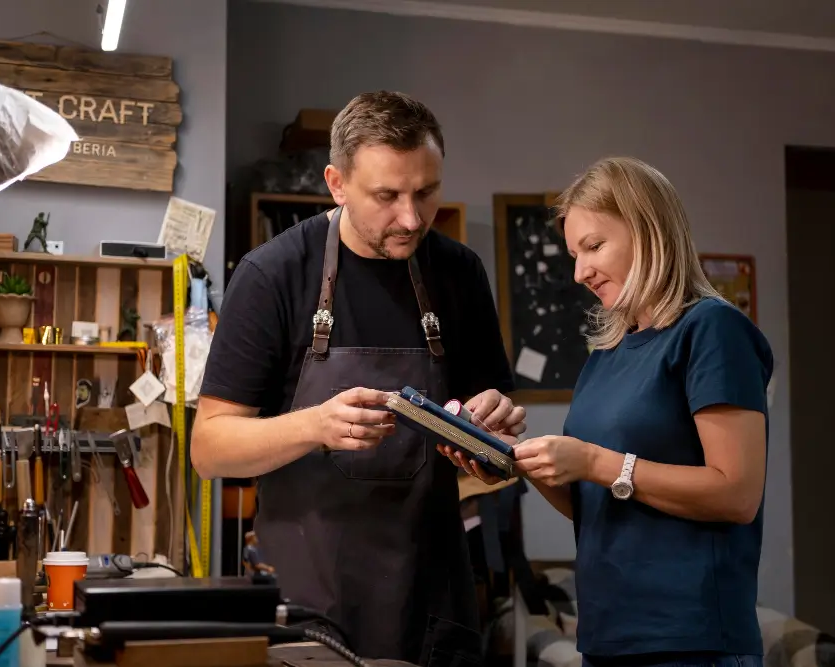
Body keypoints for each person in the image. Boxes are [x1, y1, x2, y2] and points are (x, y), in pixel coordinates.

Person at [191, 90, 526, 666]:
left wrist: (493, 433)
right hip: (310, 605)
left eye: (426, 192)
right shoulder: (272, 276)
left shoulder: (459, 273)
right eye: (386, 196)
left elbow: (496, 453)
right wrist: (316, 425)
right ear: (336, 183)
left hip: (432, 598)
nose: (412, 217)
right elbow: (210, 448)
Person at [443, 157, 773, 667]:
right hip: (607, 636)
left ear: (649, 230)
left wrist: (595, 462)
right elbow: (597, 504)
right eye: (574, 254)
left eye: (594, 247)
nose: (580, 272)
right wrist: (506, 456)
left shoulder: (712, 330)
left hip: (690, 641)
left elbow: (737, 494)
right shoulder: (606, 354)